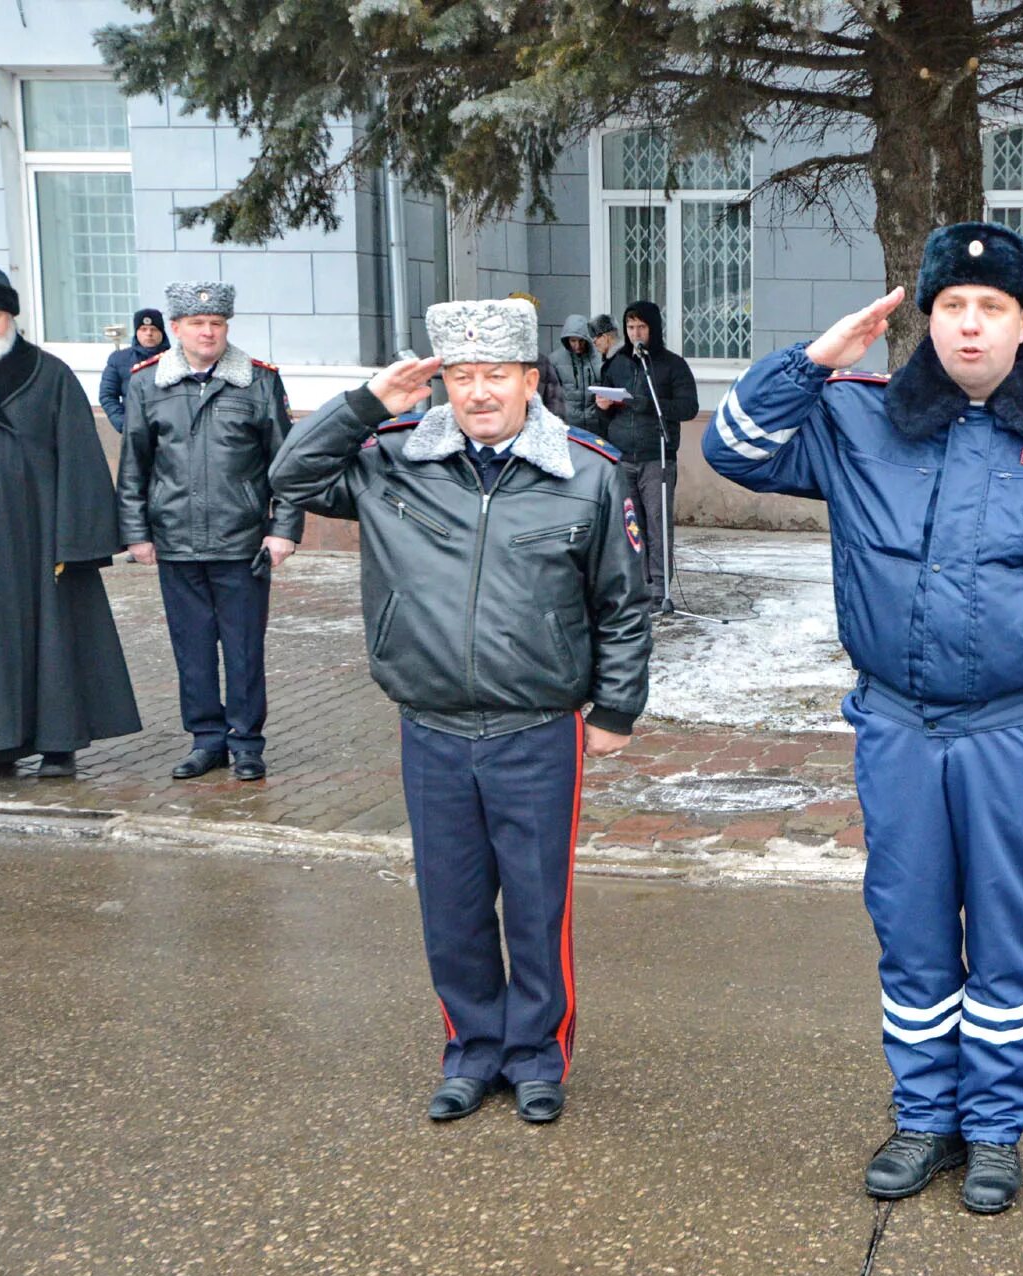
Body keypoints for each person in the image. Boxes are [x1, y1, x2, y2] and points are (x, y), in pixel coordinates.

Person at [703, 222, 1023, 1214]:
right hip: (901, 727)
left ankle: (994, 1128)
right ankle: (925, 1118)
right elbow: (733, 447)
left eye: (991, 307)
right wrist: (816, 359)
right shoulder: (857, 421)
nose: (969, 324)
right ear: (923, 315)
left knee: (1008, 931)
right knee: (909, 925)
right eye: (951, 304)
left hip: (1020, 731)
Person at [269, 297, 650, 1125]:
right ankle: (472, 1051)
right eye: (462, 376)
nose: (479, 393)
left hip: (538, 727)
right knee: (452, 904)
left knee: (538, 904)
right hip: (432, 722)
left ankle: (538, 1055)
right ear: (442, 382)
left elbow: (623, 602)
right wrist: (366, 404)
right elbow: (288, 476)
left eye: (497, 376)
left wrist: (616, 707)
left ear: (529, 381)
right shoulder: (392, 459)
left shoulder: (584, 470)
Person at [0, 261, 141, 778]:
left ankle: (59, 744)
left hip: (38, 532)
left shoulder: (51, 374)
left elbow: (82, 457)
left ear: (11, 316)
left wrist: (79, 538)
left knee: (54, 637)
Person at [118, 282, 303, 782]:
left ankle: (246, 742)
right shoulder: (146, 384)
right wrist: (137, 533)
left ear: (226, 328)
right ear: (175, 330)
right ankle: (206, 740)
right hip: (176, 538)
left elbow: (285, 465)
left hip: (242, 540)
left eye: (216, 324)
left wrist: (282, 528)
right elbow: (134, 465)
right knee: (192, 647)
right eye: (197, 324)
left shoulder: (259, 382)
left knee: (243, 647)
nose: (207, 332)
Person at [596, 300, 699, 612]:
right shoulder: (617, 364)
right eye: (630, 327)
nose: (635, 333)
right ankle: (636, 587)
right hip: (623, 455)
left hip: (657, 457)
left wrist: (648, 404)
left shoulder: (671, 365)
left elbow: (688, 407)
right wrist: (603, 406)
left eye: (641, 327)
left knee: (656, 523)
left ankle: (658, 589)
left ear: (653, 328)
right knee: (630, 526)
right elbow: (604, 403)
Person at [97, 308, 169, 432]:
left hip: (169, 433)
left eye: (154, 329)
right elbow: (107, 395)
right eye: (143, 329)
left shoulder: (175, 359)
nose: (149, 333)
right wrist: (123, 424)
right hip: (135, 431)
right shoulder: (119, 359)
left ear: (162, 332)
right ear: (136, 332)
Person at [550, 313, 604, 436]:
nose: (577, 345)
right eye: (573, 340)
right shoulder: (555, 360)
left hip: (597, 425)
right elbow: (552, 397)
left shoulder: (600, 357)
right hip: (568, 426)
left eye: (581, 341)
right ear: (567, 340)